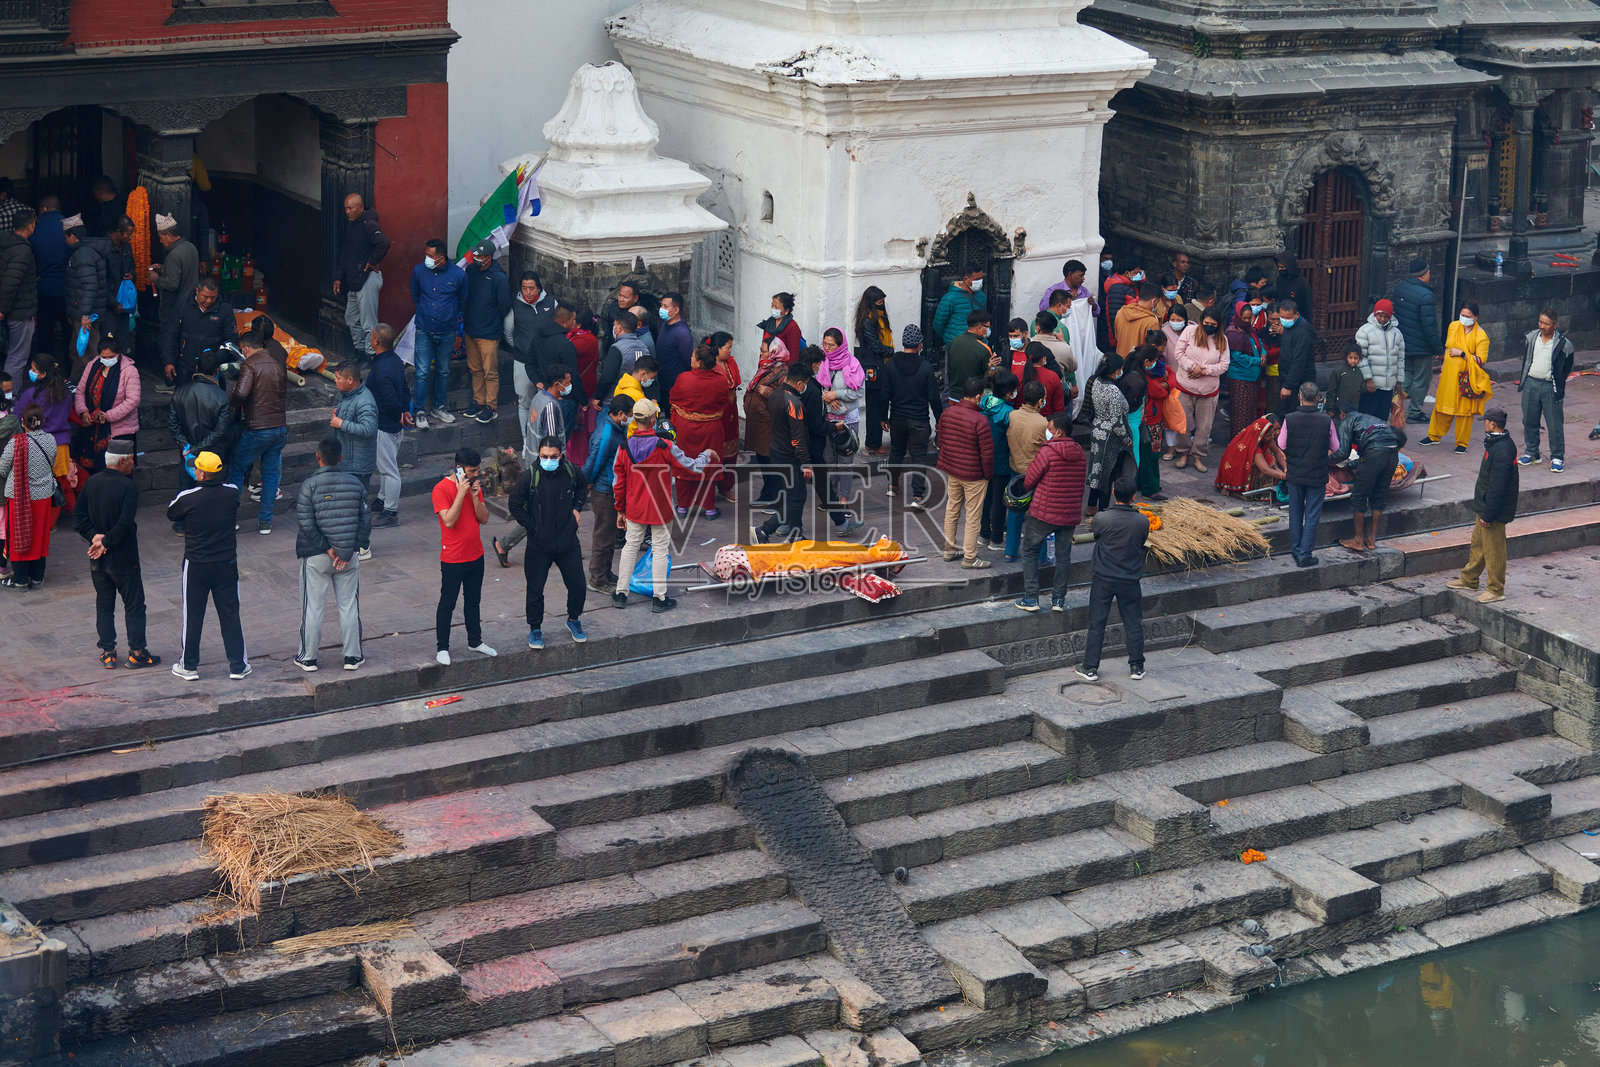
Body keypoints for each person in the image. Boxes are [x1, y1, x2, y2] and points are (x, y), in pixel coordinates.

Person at [613, 398, 717, 609]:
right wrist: (706, 455)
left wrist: (620, 510)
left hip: (634, 508)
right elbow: (692, 467)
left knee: (630, 547)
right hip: (660, 508)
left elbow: (618, 484)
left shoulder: (623, 448)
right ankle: (659, 598)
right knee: (660, 549)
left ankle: (620, 594)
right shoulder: (665, 446)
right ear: (653, 420)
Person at [73, 439, 158, 668]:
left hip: (98, 560)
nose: (132, 463)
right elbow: (124, 523)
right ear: (122, 461)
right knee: (134, 605)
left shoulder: (91, 483)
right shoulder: (128, 487)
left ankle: (108, 653)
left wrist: (95, 537)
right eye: (131, 459)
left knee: (104, 605)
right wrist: (106, 542)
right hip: (124, 558)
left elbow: (79, 518)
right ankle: (137, 652)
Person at [165, 451, 248, 680]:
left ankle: (189, 665)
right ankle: (238, 665)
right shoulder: (232, 493)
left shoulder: (188, 497)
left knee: (193, 615)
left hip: (197, 564)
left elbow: (172, 513)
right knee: (230, 614)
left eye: (197, 468)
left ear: (201, 474)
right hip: (225, 563)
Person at [293, 437, 369, 672]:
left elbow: (306, 523)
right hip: (348, 557)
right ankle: (353, 656)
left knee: (313, 607)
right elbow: (365, 522)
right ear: (341, 457)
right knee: (349, 606)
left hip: (316, 556)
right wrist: (350, 550)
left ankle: (308, 658)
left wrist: (327, 548)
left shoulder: (309, 485)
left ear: (318, 457)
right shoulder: (356, 484)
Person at [510, 435, 590, 649]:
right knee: (535, 590)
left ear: (560, 455)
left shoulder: (571, 472)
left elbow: (583, 487)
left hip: (567, 542)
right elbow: (514, 504)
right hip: (539, 545)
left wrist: (576, 508)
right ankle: (535, 628)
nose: (548, 460)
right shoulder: (530, 477)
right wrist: (532, 526)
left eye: (553, 456)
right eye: (544, 456)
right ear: (539, 455)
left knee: (578, 585)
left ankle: (573, 619)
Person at [1075, 478, 1150, 682]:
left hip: (1104, 578)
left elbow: (1097, 536)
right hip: (1130, 579)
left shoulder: (1101, 518)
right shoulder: (1142, 521)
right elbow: (1141, 542)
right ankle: (1137, 667)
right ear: (1133, 497)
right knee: (1133, 623)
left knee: (1097, 623)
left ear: (1114, 492)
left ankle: (1090, 667)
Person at [1446, 407, 1518, 604]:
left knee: (1494, 550)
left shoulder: (1502, 450)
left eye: (1486, 421)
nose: (1484, 424)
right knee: (1478, 544)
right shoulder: (1496, 442)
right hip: (1485, 505)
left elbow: (1498, 487)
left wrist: (1488, 514)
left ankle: (1496, 589)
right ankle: (1469, 579)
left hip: (1493, 509)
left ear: (1492, 424)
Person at [1015, 412, 1086, 612]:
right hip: (1069, 513)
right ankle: (1058, 600)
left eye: (1050, 428)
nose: (1047, 431)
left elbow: (1029, 481)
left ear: (1059, 432)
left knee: (1030, 550)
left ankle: (1031, 598)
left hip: (1044, 513)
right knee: (1063, 556)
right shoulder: (1080, 453)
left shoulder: (1047, 452)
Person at [433, 447, 497, 665]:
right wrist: (461, 493)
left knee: (473, 600)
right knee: (447, 603)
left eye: (477, 470)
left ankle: (475, 640)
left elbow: (484, 519)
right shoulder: (441, 489)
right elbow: (449, 521)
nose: (476, 475)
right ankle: (442, 647)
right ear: (459, 469)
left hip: (476, 555)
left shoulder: (474, 487)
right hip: (453, 557)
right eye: (472, 471)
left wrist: (475, 497)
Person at [226, 329, 286, 534]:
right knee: (270, 475)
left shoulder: (250, 364)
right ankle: (265, 522)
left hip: (258, 428)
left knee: (236, 469)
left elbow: (241, 393)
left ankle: (231, 519)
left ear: (245, 349)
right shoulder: (276, 364)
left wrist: (231, 404)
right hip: (279, 427)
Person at [1326, 398, 1404, 552]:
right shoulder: (1372, 418)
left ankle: (1358, 540)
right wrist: (1350, 465)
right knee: (1379, 495)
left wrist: (1325, 461)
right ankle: (1372, 539)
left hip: (1374, 453)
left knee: (1359, 496)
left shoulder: (1347, 420)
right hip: (1392, 454)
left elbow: (1342, 453)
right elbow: (1367, 455)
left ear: (1342, 414)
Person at [0, 403, 61, 589]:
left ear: (22, 422)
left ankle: (20, 580)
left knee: (18, 536)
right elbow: (52, 461)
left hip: (19, 498)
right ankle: (37, 578)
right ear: (43, 421)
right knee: (39, 537)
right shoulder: (51, 440)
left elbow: (2, 469)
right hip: (43, 496)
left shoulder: (16, 443)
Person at [937, 376, 994, 568]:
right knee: (973, 516)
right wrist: (988, 474)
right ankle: (970, 557)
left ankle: (949, 549)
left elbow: (941, 439)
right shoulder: (980, 420)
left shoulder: (948, 413)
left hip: (953, 470)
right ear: (978, 397)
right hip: (974, 475)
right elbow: (987, 454)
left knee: (952, 509)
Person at [409, 237, 466, 430]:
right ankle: (419, 410)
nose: (426, 258)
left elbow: (462, 300)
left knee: (443, 370)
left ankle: (439, 407)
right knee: (422, 371)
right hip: (424, 328)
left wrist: (447, 314)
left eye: (430, 255)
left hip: (447, 330)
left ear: (441, 258)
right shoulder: (419, 271)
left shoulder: (458, 275)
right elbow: (415, 295)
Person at [755, 363, 815, 543]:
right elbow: (798, 439)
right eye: (806, 384)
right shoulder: (793, 402)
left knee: (794, 496)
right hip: (790, 457)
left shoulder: (775, 395)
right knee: (795, 498)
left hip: (776, 452)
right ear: (800, 383)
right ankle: (764, 530)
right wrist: (806, 463)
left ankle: (796, 535)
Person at [671, 342, 732, 518]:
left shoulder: (684, 378)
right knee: (708, 466)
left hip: (686, 429)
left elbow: (673, 397)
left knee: (684, 462)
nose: (690, 358)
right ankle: (709, 508)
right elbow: (724, 402)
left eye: (692, 356)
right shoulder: (721, 380)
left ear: (699, 363)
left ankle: (682, 507)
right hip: (711, 429)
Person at [1280, 381, 1337, 567]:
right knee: (1312, 514)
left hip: (1295, 473)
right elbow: (1336, 447)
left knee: (1295, 513)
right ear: (1318, 398)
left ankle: (1297, 550)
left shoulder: (1289, 418)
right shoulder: (1326, 421)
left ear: (1299, 397)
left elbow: (1281, 444)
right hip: (1317, 473)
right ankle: (1305, 554)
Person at [168, 346, 236, 500]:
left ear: (197, 368)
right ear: (216, 371)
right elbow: (220, 431)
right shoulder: (222, 397)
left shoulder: (180, 391)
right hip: (212, 455)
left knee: (186, 495)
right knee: (210, 497)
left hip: (187, 455)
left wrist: (187, 447)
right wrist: (196, 448)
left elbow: (173, 424)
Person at [1423, 300, 1491, 453]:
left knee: (1464, 410)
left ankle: (1462, 443)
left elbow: (1481, 360)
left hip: (1466, 377)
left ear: (1475, 317)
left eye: (1468, 316)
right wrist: (1442, 369)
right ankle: (1434, 435)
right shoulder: (1453, 326)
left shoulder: (1481, 336)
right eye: (1462, 315)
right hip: (1449, 374)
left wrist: (1462, 354)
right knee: (1442, 405)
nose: (1464, 318)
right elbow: (1448, 349)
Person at [816, 327, 867, 533]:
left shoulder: (853, 364)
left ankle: (843, 500)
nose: (827, 348)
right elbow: (818, 387)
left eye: (831, 345)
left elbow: (859, 391)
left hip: (847, 421)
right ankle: (832, 498)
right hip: (828, 419)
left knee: (845, 462)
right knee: (829, 460)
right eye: (825, 344)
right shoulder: (823, 363)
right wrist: (827, 397)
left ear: (841, 345)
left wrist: (836, 395)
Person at [1170, 305, 1229, 472]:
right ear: (1201, 321)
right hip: (1185, 385)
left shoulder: (1222, 340)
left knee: (1204, 427)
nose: (1209, 326)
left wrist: (1204, 371)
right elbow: (1178, 352)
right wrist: (1192, 367)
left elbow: (1224, 364)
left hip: (1208, 390)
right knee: (1184, 423)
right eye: (1206, 323)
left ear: (1218, 324)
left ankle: (1198, 456)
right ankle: (1183, 453)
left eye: (1213, 324)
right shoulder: (1190, 331)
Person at [583, 394, 632, 592]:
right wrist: (587, 482)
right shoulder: (607, 434)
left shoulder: (615, 427)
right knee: (603, 536)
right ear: (620, 414)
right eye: (629, 415)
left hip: (611, 488)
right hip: (604, 490)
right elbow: (594, 462)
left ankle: (605, 572)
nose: (630, 418)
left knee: (610, 535)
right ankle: (597, 579)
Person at [329, 361, 377, 556]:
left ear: (350, 380)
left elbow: (369, 429)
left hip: (358, 465)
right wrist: (339, 414)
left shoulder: (365, 401)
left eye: (338, 378)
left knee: (359, 509)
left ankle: (363, 546)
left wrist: (342, 423)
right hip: (347, 461)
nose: (335, 381)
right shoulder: (349, 396)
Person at [333, 193, 389, 358]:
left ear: (360, 208)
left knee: (368, 322)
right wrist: (338, 277)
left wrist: (372, 261)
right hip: (355, 280)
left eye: (350, 208)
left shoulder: (368, 224)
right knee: (351, 318)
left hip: (367, 279)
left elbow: (384, 243)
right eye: (346, 208)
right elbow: (346, 254)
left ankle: (371, 355)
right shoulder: (354, 225)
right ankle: (360, 352)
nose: (347, 212)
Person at [1518, 308, 1574, 471]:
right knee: (1529, 420)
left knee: (1554, 424)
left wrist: (1558, 382)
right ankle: (1532, 452)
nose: (1542, 326)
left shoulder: (1564, 344)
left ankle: (1557, 456)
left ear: (1555, 325)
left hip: (1551, 386)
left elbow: (1567, 367)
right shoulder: (1532, 337)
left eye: (1547, 323)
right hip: (1531, 383)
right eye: (1540, 322)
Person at [365, 324, 409, 529]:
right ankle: (382, 499)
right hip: (394, 423)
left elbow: (389, 399)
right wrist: (405, 411)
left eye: (371, 336)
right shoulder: (396, 360)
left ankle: (390, 511)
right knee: (386, 466)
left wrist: (398, 414)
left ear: (375, 341)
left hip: (386, 425)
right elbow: (405, 388)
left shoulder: (381, 368)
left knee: (389, 470)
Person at [74, 337, 140, 474]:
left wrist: (107, 416)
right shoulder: (92, 365)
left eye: (111, 357)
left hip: (118, 431)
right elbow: (80, 391)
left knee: (117, 472)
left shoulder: (129, 371)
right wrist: (83, 412)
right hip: (92, 427)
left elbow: (132, 400)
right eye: (104, 357)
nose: (107, 359)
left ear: (119, 354)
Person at [461, 240, 510, 424]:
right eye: (475, 255)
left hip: (489, 333)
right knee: (475, 369)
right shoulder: (471, 270)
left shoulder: (499, 277)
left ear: (489, 258)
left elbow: (504, 306)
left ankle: (491, 406)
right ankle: (479, 402)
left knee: (490, 372)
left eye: (480, 256)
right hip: (471, 329)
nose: (476, 258)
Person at [508, 271, 557, 442]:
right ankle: (526, 439)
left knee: (545, 400)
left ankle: (544, 440)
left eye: (531, 288)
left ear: (539, 288)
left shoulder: (551, 303)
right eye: (524, 288)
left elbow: (558, 328)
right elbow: (508, 333)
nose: (528, 292)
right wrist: (522, 348)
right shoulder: (515, 306)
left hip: (545, 362)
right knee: (524, 401)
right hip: (522, 361)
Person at [1393, 258, 1443, 424]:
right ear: (1422, 275)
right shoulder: (1426, 295)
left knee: (1408, 374)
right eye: (1428, 272)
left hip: (1404, 342)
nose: (1429, 275)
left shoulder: (1400, 288)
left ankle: (1395, 403)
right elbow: (1430, 326)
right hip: (1421, 346)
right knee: (1422, 379)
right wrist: (1438, 349)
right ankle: (1414, 412)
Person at [163, 277, 237, 387]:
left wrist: (214, 360)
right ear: (197, 291)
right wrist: (169, 361)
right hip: (185, 366)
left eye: (213, 297)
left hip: (212, 371)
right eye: (205, 297)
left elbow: (231, 340)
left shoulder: (225, 309)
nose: (209, 301)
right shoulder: (183, 305)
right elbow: (171, 334)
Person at [149, 214, 198, 380]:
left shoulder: (174, 254)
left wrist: (157, 278)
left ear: (169, 235)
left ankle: (169, 382)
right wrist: (164, 269)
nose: (161, 241)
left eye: (161, 237)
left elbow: (172, 284)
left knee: (169, 344)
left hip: (174, 309)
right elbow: (182, 273)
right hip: (189, 306)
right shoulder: (190, 247)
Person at [1005, 379, 1050, 560]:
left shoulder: (1012, 416)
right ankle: (1041, 556)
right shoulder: (1043, 423)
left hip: (1015, 470)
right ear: (1040, 401)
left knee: (1014, 513)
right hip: (1035, 475)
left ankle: (1010, 552)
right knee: (1039, 516)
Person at [744, 337, 790, 508]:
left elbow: (787, 400)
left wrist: (769, 393)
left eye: (764, 351)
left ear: (774, 353)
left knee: (772, 463)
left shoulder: (783, 374)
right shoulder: (766, 368)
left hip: (771, 427)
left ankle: (776, 499)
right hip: (760, 426)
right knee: (763, 459)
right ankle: (767, 493)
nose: (761, 354)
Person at [1083, 353, 1132, 514]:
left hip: (1097, 431)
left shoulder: (1095, 381)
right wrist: (1126, 439)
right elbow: (1116, 421)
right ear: (1116, 370)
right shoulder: (1113, 390)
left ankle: (1091, 505)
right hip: (1110, 437)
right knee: (1108, 474)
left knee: (1097, 469)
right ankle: (1103, 510)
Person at [978, 369, 1016, 551]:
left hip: (984, 460)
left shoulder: (984, 402)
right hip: (1001, 463)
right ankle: (996, 539)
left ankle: (984, 534)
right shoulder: (1008, 413)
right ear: (1008, 392)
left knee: (985, 499)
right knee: (1000, 502)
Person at [854, 287, 893, 454]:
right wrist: (891, 351)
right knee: (874, 406)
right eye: (878, 302)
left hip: (881, 365)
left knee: (880, 403)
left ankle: (874, 442)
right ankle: (873, 443)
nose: (881, 304)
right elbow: (876, 346)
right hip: (874, 367)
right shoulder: (868, 321)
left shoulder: (879, 317)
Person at [0, 208, 38, 380]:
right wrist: (2, 310)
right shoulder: (22, 250)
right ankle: (10, 394)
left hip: (11, 309)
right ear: (30, 226)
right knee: (17, 357)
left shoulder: (6, 244)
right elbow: (11, 283)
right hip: (19, 311)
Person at [1224, 291, 1267, 441]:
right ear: (1238, 316)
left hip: (1253, 377)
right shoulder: (1232, 333)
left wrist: (1263, 354)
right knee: (1240, 414)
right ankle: (1238, 444)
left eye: (1250, 318)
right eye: (1245, 318)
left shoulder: (1250, 330)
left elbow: (1259, 342)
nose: (1247, 321)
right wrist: (1257, 361)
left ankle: (1248, 442)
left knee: (1250, 413)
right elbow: (1237, 356)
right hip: (1239, 378)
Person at [1214, 412, 1287, 499]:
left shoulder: (1268, 437)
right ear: (1261, 435)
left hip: (1251, 461)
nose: (1273, 437)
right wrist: (1283, 476)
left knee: (1270, 458)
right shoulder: (1254, 446)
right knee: (1269, 460)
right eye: (1269, 435)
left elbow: (1277, 452)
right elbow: (1265, 469)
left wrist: (1286, 468)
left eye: (1273, 434)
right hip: (1235, 468)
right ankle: (1233, 486)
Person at [1354, 298, 1404, 419]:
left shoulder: (1397, 333)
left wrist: (1399, 381)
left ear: (1390, 317)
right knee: (1367, 417)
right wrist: (1368, 379)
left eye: (1386, 317)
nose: (1382, 319)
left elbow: (1400, 359)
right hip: (1372, 386)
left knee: (1382, 417)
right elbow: (1361, 357)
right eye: (1380, 315)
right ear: (1375, 314)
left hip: (1388, 385)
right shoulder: (1365, 331)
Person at [29, 196, 67, 359]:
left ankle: (45, 368)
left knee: (45, 333)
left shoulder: (35, 229)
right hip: (66, 289)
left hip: (42, 289)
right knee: (69, 332)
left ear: (43, 208)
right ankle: (70, 368)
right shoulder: (69, 227)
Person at [708, 330, 740, 500]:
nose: (730, 351)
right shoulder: (708, 365)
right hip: (716, 414)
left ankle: (726, 486)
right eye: (727, 347)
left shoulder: (731, 362)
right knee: (715, 450)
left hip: (731, 413)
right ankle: (709, 489)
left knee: (731, 451)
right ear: (717, 348)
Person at [932, 267, 987, 349]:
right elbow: (938, 325)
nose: (980, 281)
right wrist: (950, 338)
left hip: (979, 345)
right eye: (976, 279)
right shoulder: (949, 298)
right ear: (966, 279)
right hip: (957, 347)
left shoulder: (981, 296)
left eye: (981, 278)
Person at [598, 281, 652, 362]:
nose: (621, 299)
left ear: (635, 298)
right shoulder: (613, 308)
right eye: (620, 295)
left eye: (625, 297)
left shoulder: (641, 314)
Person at [655, 292, 692, 407]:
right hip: (663, 382)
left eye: (665, 306)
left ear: (676, 310)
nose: (661, 309)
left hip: (675, 386)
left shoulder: (682, 333)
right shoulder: (665, 324)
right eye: (661, 305)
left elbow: (688, 360)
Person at [946, 309, 995, 395]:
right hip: (973, 398)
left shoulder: (954, 342)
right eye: (987, 327)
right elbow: (988, 378)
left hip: (953, 395)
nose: (989, 330)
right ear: (979, 327)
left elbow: (949, 372)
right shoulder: (984, 349)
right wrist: (993, 367)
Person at [1113, 283, 1160, 359]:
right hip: (1139, 364)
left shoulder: (1121, 313)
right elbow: (1152, 350)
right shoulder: (1152, 321)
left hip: (1120, 361)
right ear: (1154, 301)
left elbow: (1117, 336)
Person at [759, 292, 802, 365]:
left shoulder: (792, 327)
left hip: (781, 369)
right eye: (772, 305)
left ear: (786, 311)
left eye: (776, 307)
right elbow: (763, 349)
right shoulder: (769, 323)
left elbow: (793, 356)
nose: (773, 308)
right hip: (765, 366)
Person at [1276, 251, 1314, 320]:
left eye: (1282, 267)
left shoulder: (1302, 283)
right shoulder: (1280, 279)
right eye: (1278, 267)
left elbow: (1307, 307)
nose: (1280, 269)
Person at [1330, 345, 1365, 413]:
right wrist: (1330, 408)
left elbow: (1362, 388)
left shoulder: (1359, 372)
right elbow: (1332, 391)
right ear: (1346, 357)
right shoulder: (1339, 371)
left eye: (1356, 358)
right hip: (1339, 407)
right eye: (1350, 357)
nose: (1353, 360)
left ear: (1359, 358)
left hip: (1354, 407)